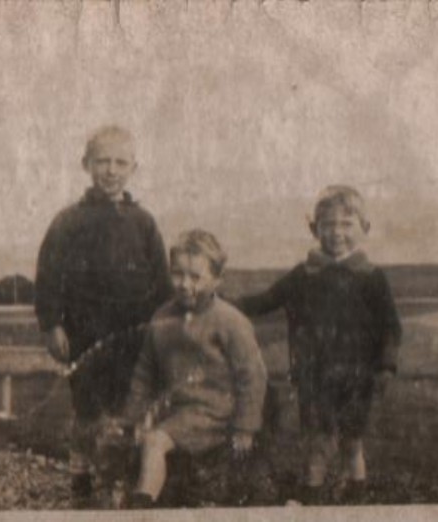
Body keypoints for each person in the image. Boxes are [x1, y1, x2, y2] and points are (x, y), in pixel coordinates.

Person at [237, 185, 402, 504]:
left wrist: (386, 366)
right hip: (314, 378)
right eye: (328, 224)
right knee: (317, 442)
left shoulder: (371, 277)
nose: (336, 233)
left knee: (352, 442)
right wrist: (224, 303)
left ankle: (357, 496)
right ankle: (311, 497)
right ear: (315, 229)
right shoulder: (303, 275)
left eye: (346, 224)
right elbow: (265, 301)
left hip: (359, 378)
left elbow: (391, 327)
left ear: (364, 229)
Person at [34, 125, 172, 498]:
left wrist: (164, 329)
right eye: (103, 161)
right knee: (88, 408)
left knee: (132, 407)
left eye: (120, 162)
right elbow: (47, 278)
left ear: (134, 168)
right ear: (86, 164)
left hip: (135, 334)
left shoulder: (143, 223)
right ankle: (80, 472)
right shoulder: (68, 222)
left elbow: (162, 284)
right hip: (85, 334)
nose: (111, 170)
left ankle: (123, 479)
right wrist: (52, 326)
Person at [123, 229, 268, 508]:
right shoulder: (163, 317)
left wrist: (245, 428)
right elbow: (145, 371)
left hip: (215, 413)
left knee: (154, 442)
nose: (184, 284)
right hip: (177, 410)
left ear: (216, 280)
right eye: (177, 274)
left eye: (196, 277)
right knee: (134, 440)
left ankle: (141, 507)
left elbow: (251, 376)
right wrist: (135, 417)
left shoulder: (229, 321)